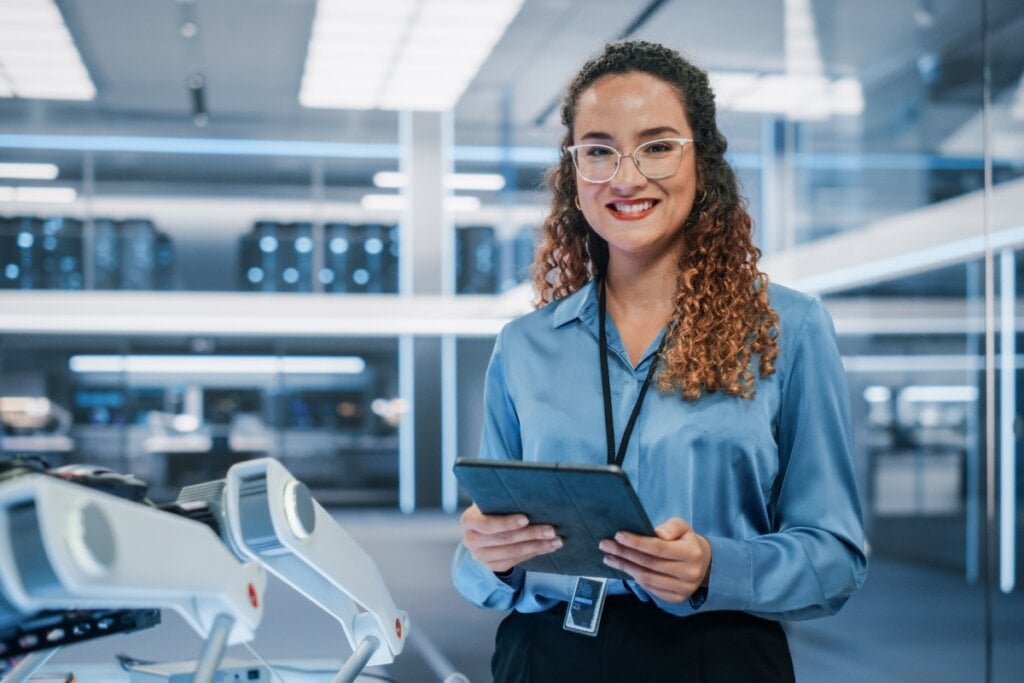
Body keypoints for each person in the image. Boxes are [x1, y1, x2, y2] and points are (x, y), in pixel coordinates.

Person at [451, 40, 867, 682]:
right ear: (575, 173)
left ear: (703, 161)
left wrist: (714, 566)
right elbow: (480, 557)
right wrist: (489, 556)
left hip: (713, 654)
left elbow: (835, 555)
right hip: (545, 654)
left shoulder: (789, 329)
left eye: (656, 145)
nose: (625, 176)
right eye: (599, 150)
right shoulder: (525, 345)